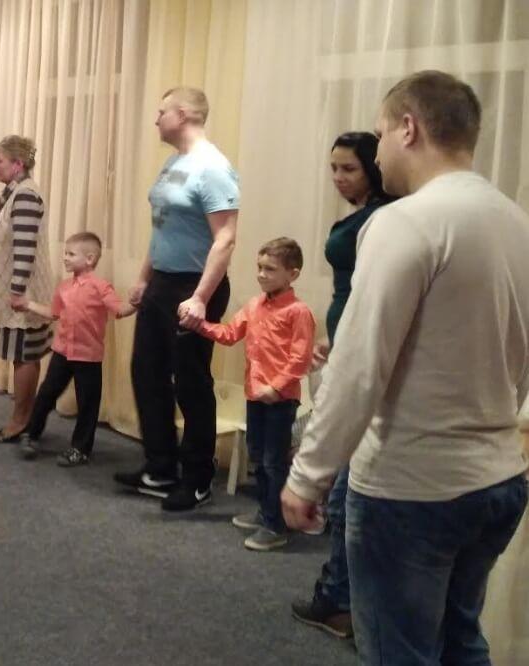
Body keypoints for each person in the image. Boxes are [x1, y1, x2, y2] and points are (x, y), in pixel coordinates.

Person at [282, 70, 529, 665]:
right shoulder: (517, 222)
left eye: (381, 133)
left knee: (401, 653)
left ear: (409, 128)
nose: (377, 152)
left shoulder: (404, 222)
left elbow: (359, 367)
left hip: (414, 489)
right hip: (498, 480)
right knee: (460, 642)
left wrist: (308, 475)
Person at [115, 87, 240, 512]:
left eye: (161, 111)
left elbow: (225, 239)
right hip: (162, 283)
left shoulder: (213, 167)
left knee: (190, 383)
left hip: (195, 287)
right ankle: (160, 468)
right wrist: (143, 279)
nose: (156, 119)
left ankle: (198, 478)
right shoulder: (173, 163)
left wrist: (201, 298)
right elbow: (162, 226)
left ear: (183, 114)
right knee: (146, 373)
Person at [290, 131, 392, 638]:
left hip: (366, 362)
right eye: (333, 167)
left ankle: (341, 602)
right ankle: (343, 599)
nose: (338, 177)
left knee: (346, 496)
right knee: (345, 494)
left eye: (348, 168)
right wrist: (336, 336)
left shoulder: (384, 217)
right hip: (349, 347)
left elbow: (375, 295)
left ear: (373, 166)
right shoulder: (368, 214)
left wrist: (348, 343)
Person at [189, 238, 314, 551]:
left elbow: (299, 358)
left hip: (280, 400)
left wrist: (276, 387)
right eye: (259, 267)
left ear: (292, 274)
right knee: (258, 455)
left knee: (274, 461)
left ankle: (276, 525)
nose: (261, 274)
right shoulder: (254, 305)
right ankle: (265, 512)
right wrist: (200, 325)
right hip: (255, 394)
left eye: (270, 269)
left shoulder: (298, 312)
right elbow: (230, 334)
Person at [13, 232, 135, 467]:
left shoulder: (101, 287)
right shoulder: (64, 287)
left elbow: (120, 310)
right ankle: (31, 433)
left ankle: (80, 449)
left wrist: (138, 301)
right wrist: (28, 304)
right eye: (65, 253)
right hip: (61, 352)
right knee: (46, 394)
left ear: (89, 259)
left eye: (71, 254)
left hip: (88, 357)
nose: (65, 258)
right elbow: (54, 313)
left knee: (87, 404)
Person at [0, 135, 56, 443]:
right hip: (14, 291)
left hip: (22, 293)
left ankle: (21, 419)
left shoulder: (24, 196)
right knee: (22, 354)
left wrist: (18, 292)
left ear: (17, 164)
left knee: (23, 354)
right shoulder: (14, 193)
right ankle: (25, 415)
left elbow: (25, 249)